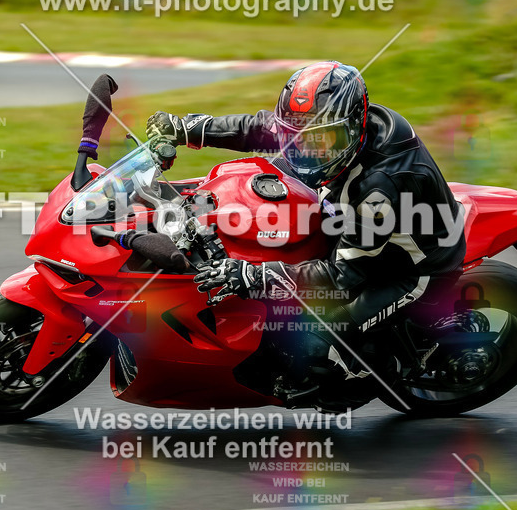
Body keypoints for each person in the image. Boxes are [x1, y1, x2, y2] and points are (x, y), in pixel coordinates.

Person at [146, 60, 466, 384]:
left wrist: (255, 275)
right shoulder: (329, 126)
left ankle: (371, 376)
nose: (306, 150)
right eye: (296, 136)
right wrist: (187, 128)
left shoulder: (379, 188)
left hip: (409, 267)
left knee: (318, 335)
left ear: (354, 127)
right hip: (354, 222)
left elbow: (342, 275)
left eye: (322, 140)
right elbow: (262, 128)